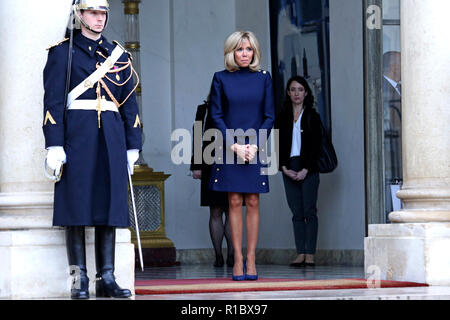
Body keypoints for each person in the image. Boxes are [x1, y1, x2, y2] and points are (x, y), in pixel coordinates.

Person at [43, 0, 142, 299]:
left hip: (111, 135)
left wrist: (133, 143)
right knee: (76, 204)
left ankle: (107, 277)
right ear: (80, 15)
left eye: (103, 14)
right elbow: (53, 103)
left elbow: (129, 102)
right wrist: (54, 144)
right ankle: (79, 277)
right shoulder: (62, 53)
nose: (99, 19)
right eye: (93, 13)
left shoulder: (118, 55)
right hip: (78, 134)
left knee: (109, 203)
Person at [208, 31, 275, 281]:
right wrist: (233, 145)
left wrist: (256, 145)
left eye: (248, 49)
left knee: (254, 201)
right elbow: (216, 115)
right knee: (234, 201)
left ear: (254, 51)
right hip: (229, 147)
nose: (244, 54)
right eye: (239, 49)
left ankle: (251, 258)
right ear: (231, 52)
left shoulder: (264, 79)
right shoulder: (220, 79)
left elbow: (269, 115)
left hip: (255, 147)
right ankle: (237, 258)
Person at [275, 76, 321, 267]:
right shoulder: (283, 116)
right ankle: (300, 252)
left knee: (309, 211)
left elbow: (317, 146)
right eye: (293, 89)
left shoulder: (312, 116)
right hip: (289, 166)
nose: (296, 93)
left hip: (308, 168)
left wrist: (306, 169)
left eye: (300, 89)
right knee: (296, 212)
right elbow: (277, 144)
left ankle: (310, 253)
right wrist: (283, 167)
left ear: (306, 93)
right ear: (288, 92)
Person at [190, 97, 234, 268]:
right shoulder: (203, 109)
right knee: (215, 210)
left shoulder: (234, 106)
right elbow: (197, 136)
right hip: (209, 162)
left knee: (232, 209)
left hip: (232, 161)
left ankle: (232, 255)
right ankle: (218, 255)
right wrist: (196, 165)